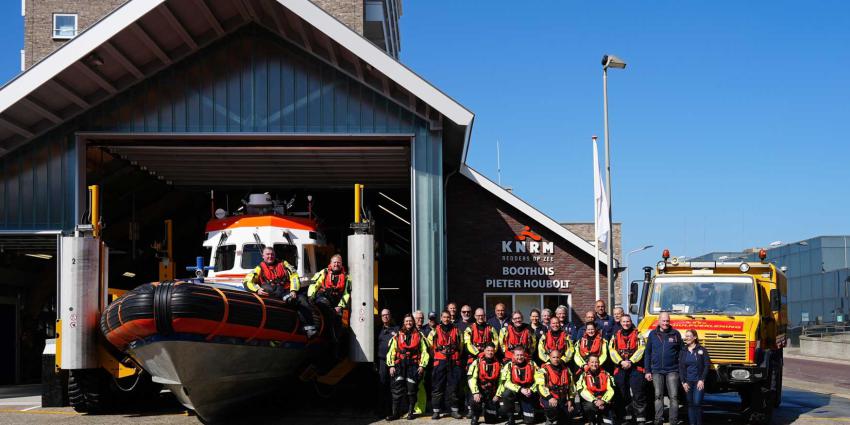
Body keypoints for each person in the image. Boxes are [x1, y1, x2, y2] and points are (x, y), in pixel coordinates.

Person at [243, 246, 316, 336]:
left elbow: (294, 276)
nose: (270, 256)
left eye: (272, 254)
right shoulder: (259, 268)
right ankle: (285, 298)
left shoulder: (284, 264)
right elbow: (247, 281)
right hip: (273, 293)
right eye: (268, 254)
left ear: (275, 255)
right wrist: (257, 290)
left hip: (289, 291)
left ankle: (310, 328)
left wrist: (293, 290)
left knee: (302, 300)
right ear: (263, 256)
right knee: (266, 287)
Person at [386, 314, 430, 420]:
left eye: (410, 321)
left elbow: (425, 352)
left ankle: (411, 412)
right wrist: (391, 365)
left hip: (414, 366)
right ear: (403, 323)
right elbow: (391, 351)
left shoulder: (420, 336)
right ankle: (395, 414)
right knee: (397, 391)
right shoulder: (397, 336)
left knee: (412, 390)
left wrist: (422, 365)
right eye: (406, 321)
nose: (408, 323)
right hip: (400, 365)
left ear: (413, 322)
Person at [644, 312, 683, 425]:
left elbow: (681, 352)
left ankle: (673, 421)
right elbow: (648, 353)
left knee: (674, 397)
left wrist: (680, 370)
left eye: (667, 321)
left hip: (672, 370)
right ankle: (658, 420)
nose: (665, 323)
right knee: (658, 396)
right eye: (663, 321)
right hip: (656, 370)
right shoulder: (652, 334)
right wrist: (647, 371)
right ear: (659, 321)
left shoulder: (675, 334)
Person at [608, 314, 647, 425]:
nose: (626, 323)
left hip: (635, 367)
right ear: (620, 323)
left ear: (631, 322)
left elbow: (641, 349)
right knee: (622, 393)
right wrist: (621, 362)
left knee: (638, 393)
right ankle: (626, 416)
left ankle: (640, 418)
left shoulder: (639, 335)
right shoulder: (615, 335)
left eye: (628, 321)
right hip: (620, 367)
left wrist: (631, 361)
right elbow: (611, 350)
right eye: (624, 321)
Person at [429, 311, 464, 419]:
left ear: (451, 318)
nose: (446, 319)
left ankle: (454, 410)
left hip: (454, 361)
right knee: (437, 387)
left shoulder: (457, 330)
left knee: (454, 387)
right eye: (444, 317)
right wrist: (438, 354)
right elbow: (430, 346)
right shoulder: (435, 330)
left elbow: (461, 345)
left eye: (448, 317)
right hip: (440, 361)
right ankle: (436, 411)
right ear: (441, 318)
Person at [496, 347, 538, 425]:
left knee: (529, 421)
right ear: (514, 356)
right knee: (506, 394)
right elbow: (506, 382)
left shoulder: (532, 364)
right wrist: (520, 389)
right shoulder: (509, 365)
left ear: (525, 355)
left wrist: (531, 389)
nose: (519, 357)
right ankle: (511, 418)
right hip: (515, 390)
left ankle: (525, 413)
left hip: (528, 391)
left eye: (521, 355)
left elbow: (538, 380)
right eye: (517, 355)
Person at [535, 348, 575, 425]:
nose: (556, 359)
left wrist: (571, 400)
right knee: (552, 408)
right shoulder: (543, 370)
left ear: (560, 358)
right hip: (550, 398)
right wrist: (549, 397)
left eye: (557, 357)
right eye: (553, 357)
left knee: (571, 412)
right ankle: (550, 419)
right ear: (549, 358)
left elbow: (571, 386)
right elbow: (540, 386)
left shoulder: (566, 369)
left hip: (562, 398)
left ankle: (561, 415)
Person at [680, 329, 710, 425]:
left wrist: (702, 379)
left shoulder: (702, 350)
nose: (686, 338)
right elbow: (680, 367)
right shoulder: (683, 351)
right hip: (687, 382)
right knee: (690, 404)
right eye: (686, 336)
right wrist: (683, 382)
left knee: (697, 403)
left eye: (689, 336)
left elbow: (706, 365)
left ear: (695, 337)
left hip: (698, 381)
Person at [467, 343, 502, 425]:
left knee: (491, 421)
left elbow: (502, 381)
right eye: (488, 350)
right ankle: (475, 416)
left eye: (492, 351)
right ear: (484, 351)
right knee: (474, 400)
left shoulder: (499, 364)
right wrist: (475, 392)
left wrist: (498, 394)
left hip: (492, 392)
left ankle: (493, 412)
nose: (490, 352)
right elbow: (472, 378)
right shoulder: (477, 362)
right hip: (480, 391)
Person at [576, 355, 615, 425]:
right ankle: (591, 420)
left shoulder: (607, 374)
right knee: (589, 407)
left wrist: (603, 401)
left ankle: (603, 418)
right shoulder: (583, 375)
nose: (594, 364)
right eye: (592, 362)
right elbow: (582, 390)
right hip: (591, 401)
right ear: (588, 363)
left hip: (605, 401)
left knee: (608, 423)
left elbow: (611, 389)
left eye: (596, 362)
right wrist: (595, 400)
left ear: (599, 363)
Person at [377, 309, 399, 419]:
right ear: (381, 317)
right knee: (383, 386)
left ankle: (394, 411)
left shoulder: (397, 329)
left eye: (387, 315)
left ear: (390, 316)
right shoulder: (377, 330)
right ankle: (383, 411)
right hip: (382, 362)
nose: (385, 317)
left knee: (394, 387)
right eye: (383, 315)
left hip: (394, 363)